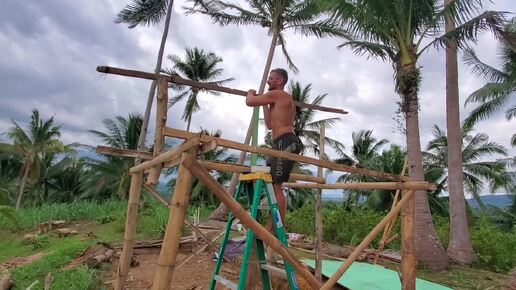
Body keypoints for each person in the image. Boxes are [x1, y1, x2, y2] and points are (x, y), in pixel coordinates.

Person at [245, 68, 301, 231]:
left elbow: (249, 101)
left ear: (280, 81)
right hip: (279, 144)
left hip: (286, 142)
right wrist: (264, 103)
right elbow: (269, 125)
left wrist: (251, 93)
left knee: (277, 186)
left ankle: (278, 227)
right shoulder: (275, 98)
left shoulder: (280, 94)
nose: (268, 80)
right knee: (269, 179)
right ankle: (271, 225)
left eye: (272, 78)